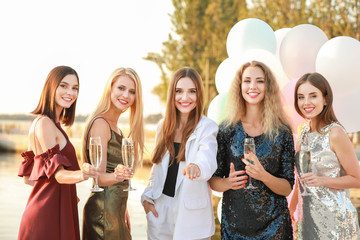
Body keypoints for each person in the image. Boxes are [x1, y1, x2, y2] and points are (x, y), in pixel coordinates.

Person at [209, 61, 295, 239]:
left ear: (268, 86)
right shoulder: (226, 129)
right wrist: (228, 183)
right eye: (247, 81)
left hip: (275, 227)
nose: (253, 86)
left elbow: (287, 188)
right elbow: (213, 179)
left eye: (260, 81)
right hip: (235, 227)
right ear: (239, 86)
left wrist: (263, 175)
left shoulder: (282, 131)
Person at [17, 66, 98, 240]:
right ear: (51, 87)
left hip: (44, 211)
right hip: (48, 218)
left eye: (75, 88)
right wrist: (83, 174)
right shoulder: (46, 123)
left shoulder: (42, 123)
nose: (70, 92)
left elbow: (29, 178)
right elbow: (59, 175)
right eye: (64, 85)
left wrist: (66, 194)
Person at [141, 67, 218, 240]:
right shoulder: (163, 126)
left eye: (192, 91)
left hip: (192, 217)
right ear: (172, 95)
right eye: (179, 91)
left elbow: (207, 157)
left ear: (199, 95)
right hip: (160, 212)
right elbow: (156, 169)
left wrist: (197, 167)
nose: (185, 97)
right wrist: (147, 199)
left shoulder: (207, 127)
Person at [289, 72, 360, 239]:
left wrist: (323, 180)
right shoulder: (304, 131)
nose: (306, 102)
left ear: (325, 99)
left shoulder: (335, 133)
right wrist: (291, 210)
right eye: (301, 97)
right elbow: (302, 181)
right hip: (308, 222)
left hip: (336, 223)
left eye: (313, 96)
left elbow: (357, 179)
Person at [81, 67, 144, 240]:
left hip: (115, 211)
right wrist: (118, 176)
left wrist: (123, 210)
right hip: (103, 213)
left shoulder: (117, 128)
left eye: (132, 91)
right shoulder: (101, 123)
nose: (126, 95)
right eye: (121, 88)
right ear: (110, 88)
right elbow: (98, 178)